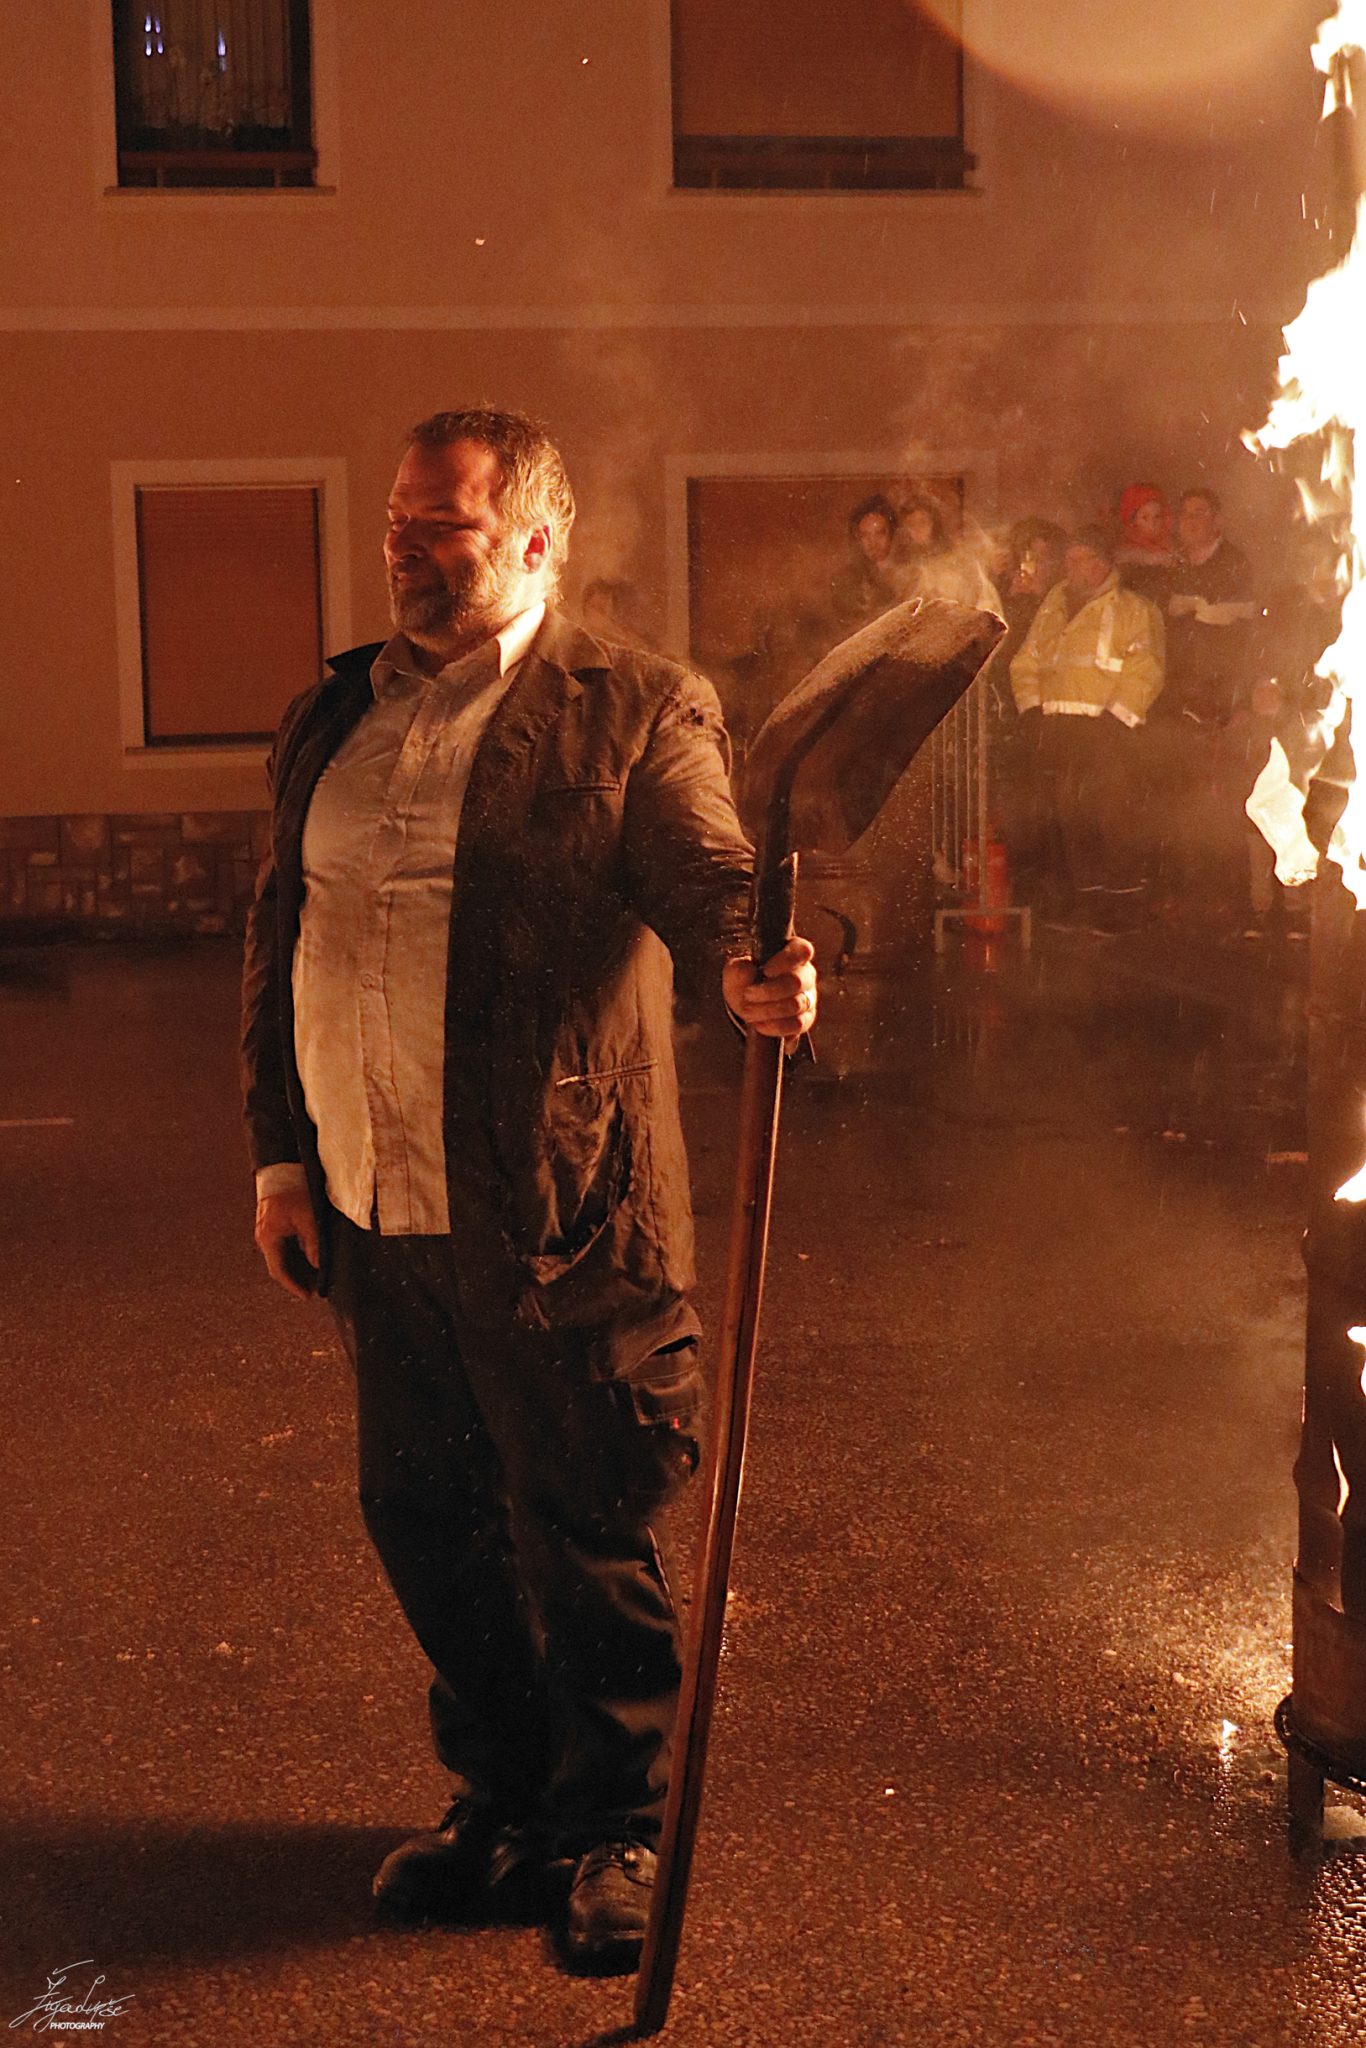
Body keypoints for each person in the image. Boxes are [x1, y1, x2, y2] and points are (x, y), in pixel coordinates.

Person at [241, 407, 818, 1973]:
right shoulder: (336, 712)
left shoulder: (626, 705)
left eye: (443, 523)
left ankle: (614, 1828)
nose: (404, 547)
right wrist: (281, 1158)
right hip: (371, 1203)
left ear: (538, 540)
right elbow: (284, 939)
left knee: (582, 1523)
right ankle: (500, 1800)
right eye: (398, 519)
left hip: (558, 1214)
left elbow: (706, 873)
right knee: (425, 1517)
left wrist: (750, 964)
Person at [1009, 525, 1165, 927]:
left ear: (1102, 563)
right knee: (1071, 819)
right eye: (1069, 559)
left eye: (1080, 559)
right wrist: (1032, 710)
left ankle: (1122, 908)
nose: (1071, 567)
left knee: (1114, 819)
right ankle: (1087, 903)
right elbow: (1027, 660)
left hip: (1110, 733)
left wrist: (1117, 719)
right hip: (1060, 729)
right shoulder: (1053, 606)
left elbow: (1146, 669)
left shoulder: (1134, 610)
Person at [1149, 488, 1260, 924]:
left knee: (1221, 801)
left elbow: (1247, 634)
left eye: (1199, 514)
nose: (1190, 522)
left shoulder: (1235, 565)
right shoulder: (1175, 568)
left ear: (1218, 520)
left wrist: (1240, 698)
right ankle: (1184, 890)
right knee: (1178, 798)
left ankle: (1227, 895)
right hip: (1179, 698)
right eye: (1185, 514)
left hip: (1220, 700)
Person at [829, 493, 902, 630]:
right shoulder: (845, 580)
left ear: (892, 534)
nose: (873, 543)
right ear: (857, 539)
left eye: (880, 533)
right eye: (865, 536)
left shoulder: (911, 571)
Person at [1113, 482, 1174, 605]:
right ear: (1133, 520)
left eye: (1157, 517)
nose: (1152, 524)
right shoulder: (1125, 554)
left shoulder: (1170, 546)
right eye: (1145, 517)